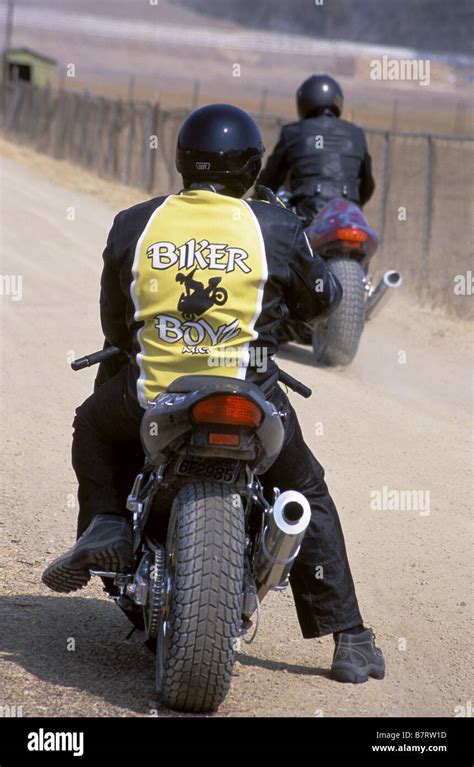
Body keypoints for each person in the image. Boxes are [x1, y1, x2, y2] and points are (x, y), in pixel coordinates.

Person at [42, 103, 384, 684]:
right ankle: (349, 639)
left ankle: (105, 522)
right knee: (304, 487)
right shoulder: (274, 225)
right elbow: (323, 297)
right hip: (250, 391)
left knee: (93, 422)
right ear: (252, 166)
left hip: (155, 391)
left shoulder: (135, 222)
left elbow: (117, 324)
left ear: (181, 162)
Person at [257, 74, 375, 226]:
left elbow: (271, 178)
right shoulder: (356, 134)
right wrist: (354, 204)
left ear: (303, 101)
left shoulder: (293, 132)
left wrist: (258, 197)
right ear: (338, 101)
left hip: (308, 215)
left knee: (281, 242)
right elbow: (367, 185)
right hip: (349, 217)